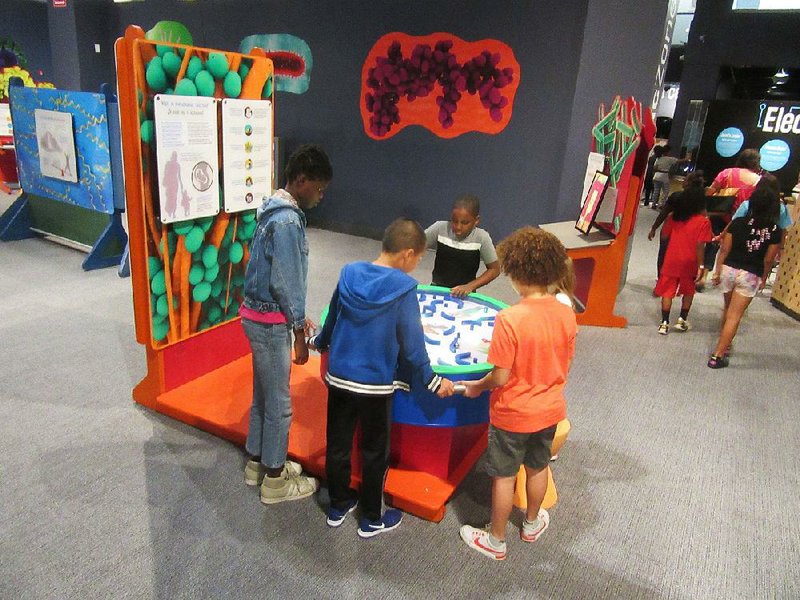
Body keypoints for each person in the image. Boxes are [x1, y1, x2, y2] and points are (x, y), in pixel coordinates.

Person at [309, 218, 455, 538]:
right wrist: (433, 381)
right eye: (418, 258)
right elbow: (413, 345)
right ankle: (371, 517)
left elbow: (333, 317)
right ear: (406, 254)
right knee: (375, 451)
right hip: (375, 386)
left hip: (340, 378)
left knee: (338, 443)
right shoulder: (404, 290)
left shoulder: (348, 273)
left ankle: (338, 504)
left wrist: (318, 343)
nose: (416, 265)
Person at [458, 227, 577, 561]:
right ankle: (531, 523)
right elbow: (562, 359)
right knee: (538, 467)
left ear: (514, 275)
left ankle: (496, 541)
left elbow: (499, 376)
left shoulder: (510, 319)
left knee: (504, 476)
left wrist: (476, 387)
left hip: (513, 413)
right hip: (550, 408)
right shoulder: (566, 311)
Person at [240, 144, 332, 503]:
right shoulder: (288, 222)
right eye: (319, 189)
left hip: (256, 314)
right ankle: (275, 480)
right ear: (302, 180)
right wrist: (297, 331)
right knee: (280, 402)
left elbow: (271, 272)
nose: (321, 197)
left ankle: (257, 462)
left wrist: (296, 312)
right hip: (271, 324)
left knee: (262, 395)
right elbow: (286, 279)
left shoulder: (271, 210)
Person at [708, 188, 783, 368]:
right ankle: (718, 355)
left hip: (729, 269)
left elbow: (724, 249)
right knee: (735, 316)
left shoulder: (738, 222)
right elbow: (768, 259)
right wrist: (764, 278)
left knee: (727, 309)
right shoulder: (775, 230)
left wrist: (717, 270)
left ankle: (724, 346)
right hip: (750, 274)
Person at [697, 148, 762, 289]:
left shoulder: (727, 173)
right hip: (741, 220)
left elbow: (710, 191)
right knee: (732, 248)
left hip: (719, 214)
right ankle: (724, 276)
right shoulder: (758, 181)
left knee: (711, 244)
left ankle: (703, 276)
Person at [654, 187, 712, 335]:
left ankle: (664, 323)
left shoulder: (673, 217)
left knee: (667, 291)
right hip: (690, 261)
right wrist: (701, 265)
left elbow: (664, 236)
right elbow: (701, 245)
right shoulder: (703, 222)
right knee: (688, 290)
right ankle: (681, 319)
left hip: (671, 259)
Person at [425, 194, 500, 297]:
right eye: (454, 221)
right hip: (437, 288)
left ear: (476, 220)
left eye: (465, 223)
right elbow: (415, 245)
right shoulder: (440, 228)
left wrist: (470, 286)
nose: (458, 227)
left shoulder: (482, 237)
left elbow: (494, 269)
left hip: (465, 293)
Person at [648, 171, 706, 280]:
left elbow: (663, 214)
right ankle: (678, 278)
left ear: (688, 183)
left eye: (685, 180)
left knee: (664, 255)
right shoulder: (700, 200)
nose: (683, 181)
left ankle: (661, 279)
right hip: (689, 234)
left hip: (671, 230)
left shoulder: (676, 196)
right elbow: (704, 216)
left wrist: (654, 228)